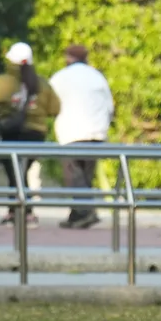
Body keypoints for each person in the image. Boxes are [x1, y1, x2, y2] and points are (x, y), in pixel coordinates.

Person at [0, 42, 61, 227]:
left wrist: (3, 114)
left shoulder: (2, 82)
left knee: (14, 174)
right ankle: (21, 211)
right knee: (23, 172)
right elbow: (55, 108)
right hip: (36, 134)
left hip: (11, 133)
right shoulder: (42, 83)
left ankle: (19, 211)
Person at [49, 44, 112, 229]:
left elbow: (51, 104)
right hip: (97, 132)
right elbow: (109, 106)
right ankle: (77, 213)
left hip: (72, 132)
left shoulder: (60, 77)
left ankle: (86, 211)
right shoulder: (97, 77)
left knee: (74, 176)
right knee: (86, 176)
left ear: (68, 58)